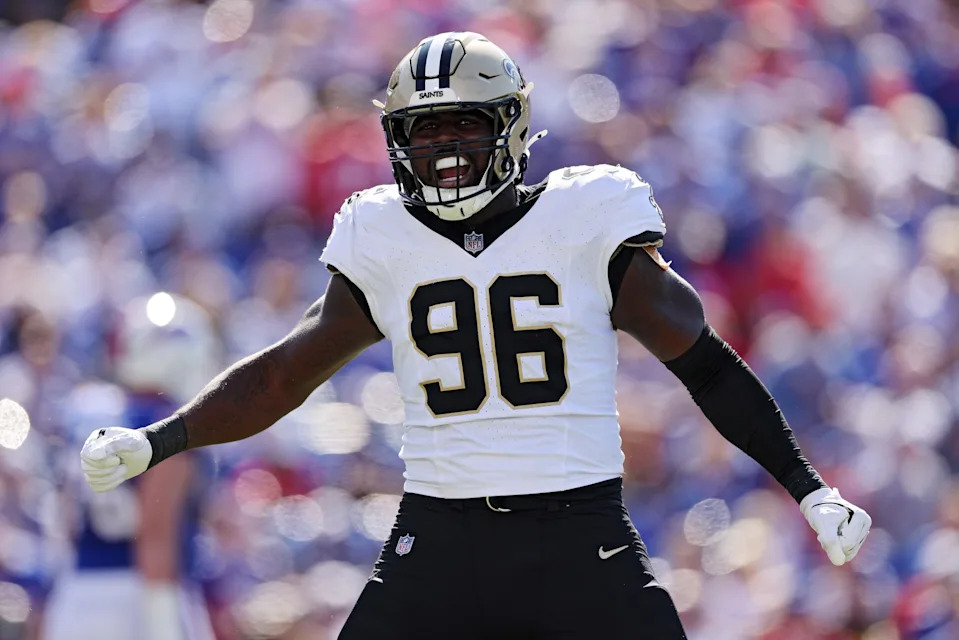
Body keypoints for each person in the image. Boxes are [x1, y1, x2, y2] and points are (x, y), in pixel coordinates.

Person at [79, 32, 871, 639]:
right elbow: (286, 375)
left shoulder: (586, 218)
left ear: (511, 126)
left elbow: (707, 366)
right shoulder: (382, 234)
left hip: (576, 535)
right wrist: (162, 439)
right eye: (422, 134)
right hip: (439, 534)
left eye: (460, 126)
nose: (443, 152)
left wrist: (807, 486)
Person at [49, 294, 218, 640]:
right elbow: (155, 534)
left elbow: (65, 522)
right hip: (141, 600)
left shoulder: (86, 410)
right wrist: (164, 623)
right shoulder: (164, 423)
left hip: (75, 596)